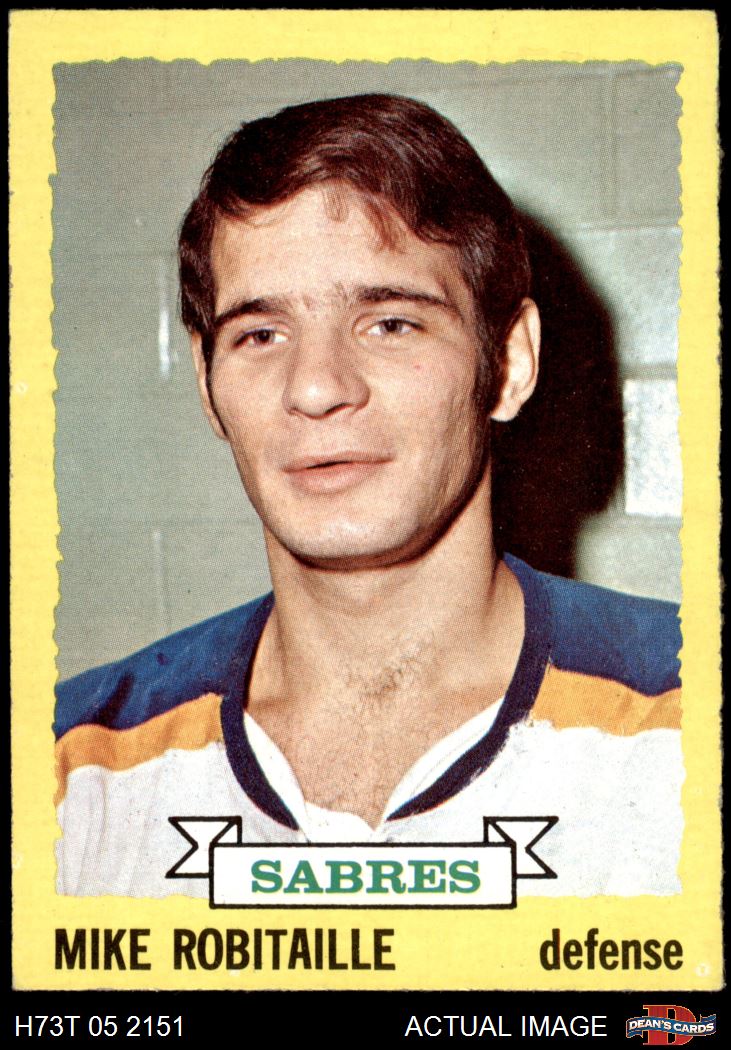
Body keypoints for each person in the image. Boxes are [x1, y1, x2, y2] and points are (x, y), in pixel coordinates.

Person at [54, 94, 682, 898]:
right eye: (260, 334)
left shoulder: (684, 718)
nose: (316, 388)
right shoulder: (72, 766)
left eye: (389, 323)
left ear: (508, 363)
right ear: (208, 387)